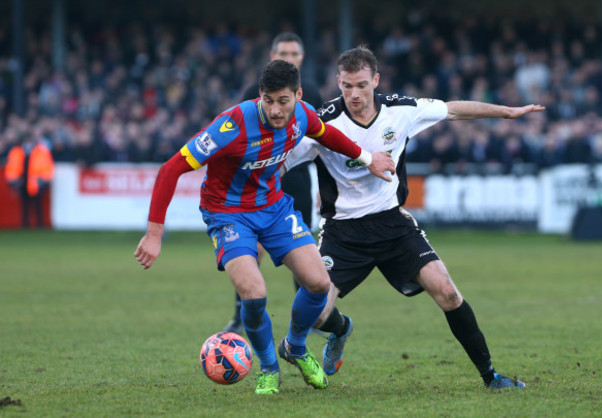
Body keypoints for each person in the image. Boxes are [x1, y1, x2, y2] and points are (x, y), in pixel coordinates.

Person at [283, 46, 545, 389]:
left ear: (375, 80)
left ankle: (490, 376)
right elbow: (280, 159)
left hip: (393, 224)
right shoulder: (323, 123)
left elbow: (453, 110)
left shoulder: (400, 110)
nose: (354, 94)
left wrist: (506, 113)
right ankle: (342, 329)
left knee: (448, 292)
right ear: (338, 82)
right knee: (317, 316)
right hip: (342, 232)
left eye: (362, 85)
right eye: (347, 86)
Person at [133, 60, 395, 395]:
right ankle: (269, 368)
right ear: (260, 95)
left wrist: (368, 158)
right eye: (268, 100)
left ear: (298, 96)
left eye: (283, 101)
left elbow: (327, 135)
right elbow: (171, 169)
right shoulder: (232, 125)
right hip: (228, 214)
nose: (274, 109)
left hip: (273, 207)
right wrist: (155, 233)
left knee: (318, 283)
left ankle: (295, 347)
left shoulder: (303, 115)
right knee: (253, 294)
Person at [223, 32, 324, 335]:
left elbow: (323, 142)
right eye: (283, 52)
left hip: (298, 179)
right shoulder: (252, 96)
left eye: (294, 53)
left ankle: (306, 320)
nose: (288, 57)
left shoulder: (314, 95)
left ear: (301, 58)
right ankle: (241, 315)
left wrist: (325, 187)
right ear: (272, 54)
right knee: (249, 252)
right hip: (261, 182)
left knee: (301, 248)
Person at [5, 131, 55, 228]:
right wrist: (15, 182)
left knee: (38, 205)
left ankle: (40, 224)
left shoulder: (41, 151)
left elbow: (47, 168)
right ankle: (25, 224)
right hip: (22, 183)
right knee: (25, 206)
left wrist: (42, 181)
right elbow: (12, 168)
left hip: (37, 183)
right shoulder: (17, 151)